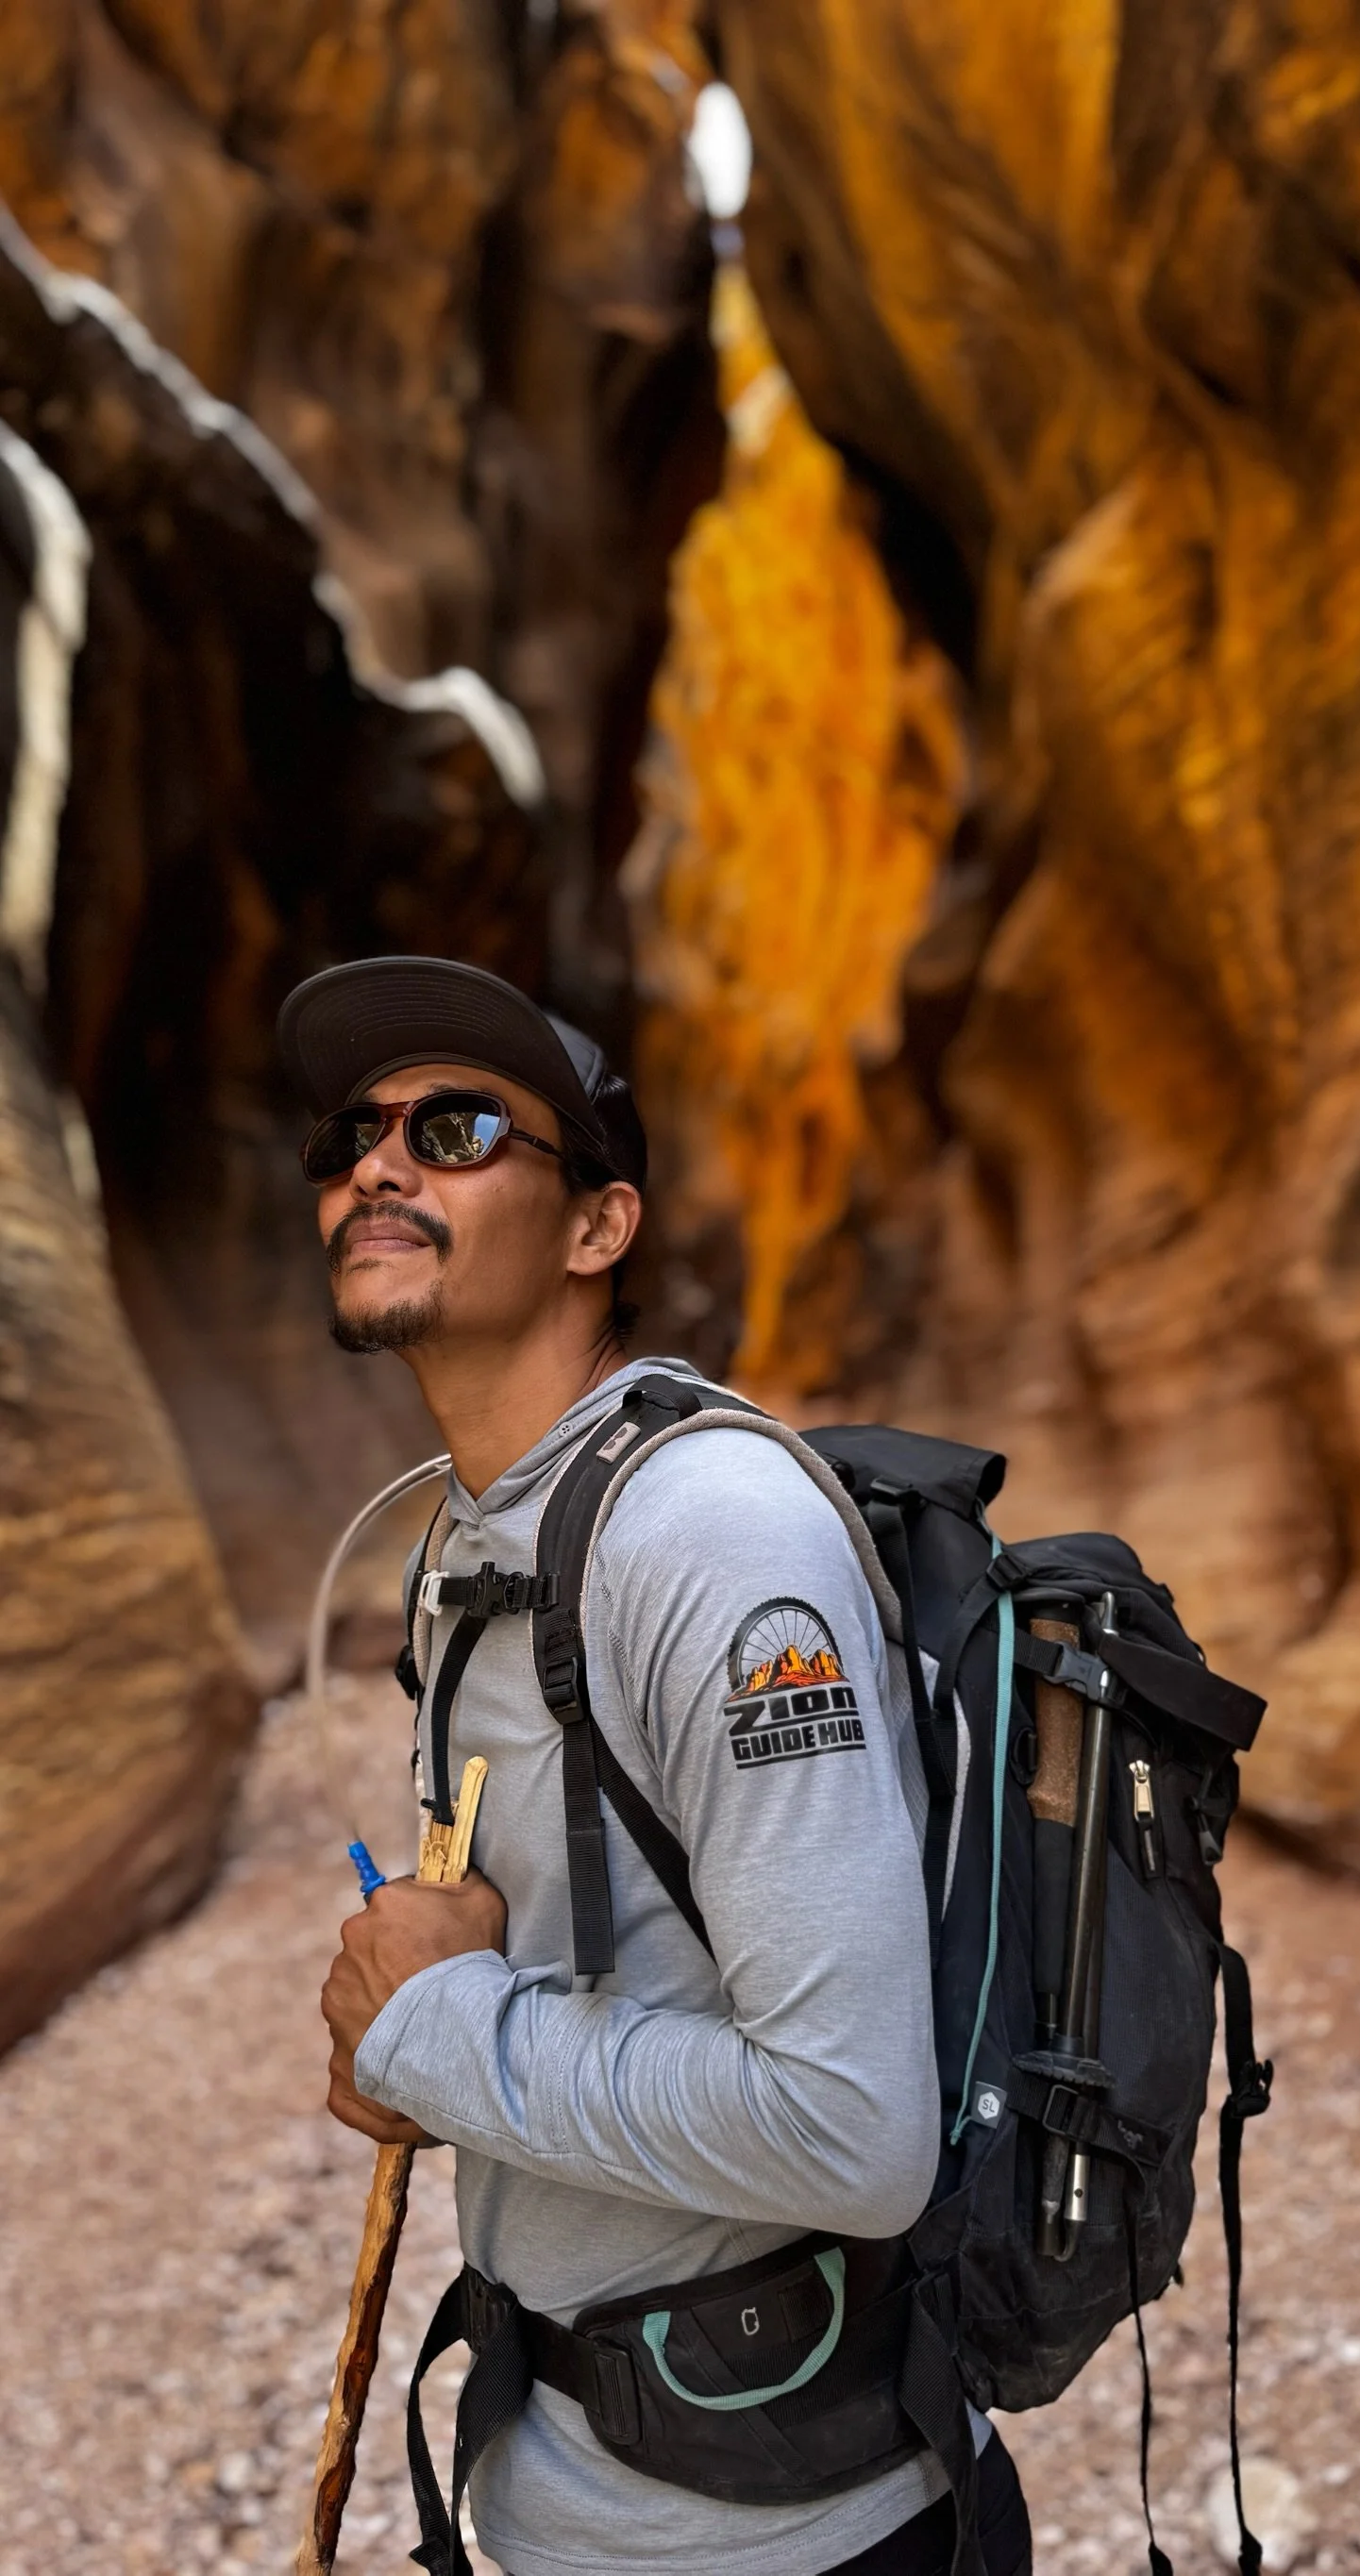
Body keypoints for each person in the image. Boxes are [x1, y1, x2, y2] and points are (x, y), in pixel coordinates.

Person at [280, 955, 1033, 2576]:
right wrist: (423, 2047)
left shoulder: (715, 1541)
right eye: (351, 1133)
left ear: (597, 1227)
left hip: (789, 2534)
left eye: (459, 1125)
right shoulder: (470, 1535)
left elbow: (856, 2129)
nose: (378, 1167)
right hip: (564, 2485)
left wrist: (436, 2028)